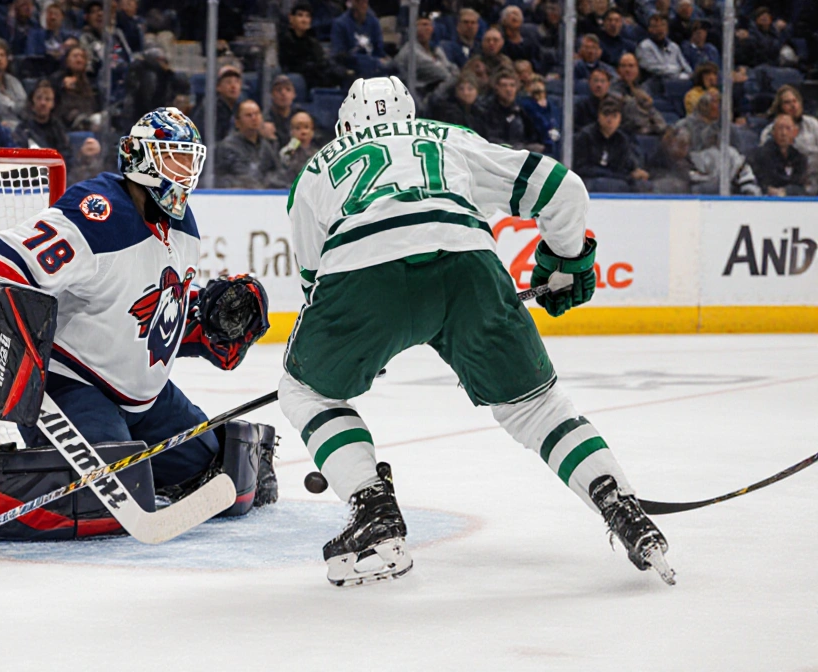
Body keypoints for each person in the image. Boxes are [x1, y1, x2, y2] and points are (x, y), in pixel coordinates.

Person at [281, 75, 673, 588]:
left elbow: (317, 283)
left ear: (346, 124)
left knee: (307, 390)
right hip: (468, 266)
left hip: (361, 272)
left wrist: (361, 348)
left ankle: (373, 510)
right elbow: (563, 189)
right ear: (409, 114)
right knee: (536, 407)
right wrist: (566, 260)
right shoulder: (451, 138)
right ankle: (623, 508)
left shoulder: (315, 168)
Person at [0, 107, 275, 522]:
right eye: (172, 156)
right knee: (108, 500)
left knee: (219, 472)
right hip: (73, 388)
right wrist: (6, 345)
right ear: (137, 157)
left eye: (191, 160)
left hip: (148, 401)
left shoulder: (183, 225)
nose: (184, 171)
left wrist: (209, 323)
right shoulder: (99, 212)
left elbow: (145, 309)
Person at [573, 96, 651, 193]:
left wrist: (635, 172)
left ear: (620, 119)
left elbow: (625, 166)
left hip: (616, 179)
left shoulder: (622, 139)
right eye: (606, 115)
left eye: (614, 116)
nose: (609, 120)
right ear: (599, 116)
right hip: (589, 181)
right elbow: (581, 168)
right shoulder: (585, 136)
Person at [214, 100, 288, 189]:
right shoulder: (228, 147)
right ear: (237, 122)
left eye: (257, 114)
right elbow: (234, 176)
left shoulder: (266, 146)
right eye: (248, 115)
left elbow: (278, 172)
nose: (254, 118)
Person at [279, 2, 350, 89]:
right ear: (291, 18)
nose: (304, 20)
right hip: (298, 78)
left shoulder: (313, 43)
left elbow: (321, 61)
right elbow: (290, 65)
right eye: (300, 15)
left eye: (307, 16)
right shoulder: (284, 40)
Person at [394, 13, 457, 95]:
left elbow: (451, 67)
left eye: (428, 25)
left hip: (437, 88)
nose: (426, 28)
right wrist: (456, 79)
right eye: (422, 25)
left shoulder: (436, 49)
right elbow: (441, 72)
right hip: (419, 93)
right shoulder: (410, 51)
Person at [479, 69, 542, 152]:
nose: (509, 89)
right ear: (497, 88)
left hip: (518, 150)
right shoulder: (486, 110)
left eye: (512, 85)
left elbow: (532, 135)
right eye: (504, 85)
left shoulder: (520, 110)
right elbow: (488, 137)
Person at [748, 114, 809, 196]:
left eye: (788, 128)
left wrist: (786, 191)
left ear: (795, 132)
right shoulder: (760, 155)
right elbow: (757, 182)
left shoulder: (800, 158)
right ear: (773, 132)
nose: (783, 133)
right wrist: (769, 190)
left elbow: (800, 186)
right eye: (780, 128)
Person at [330, 0, 393, 79]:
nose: (363, 5)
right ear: (353, 3)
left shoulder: (373, 22)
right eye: (359, 2)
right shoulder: (340, 24)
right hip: (352, 70)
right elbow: (340, 55)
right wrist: (371, 61)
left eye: (365, 2)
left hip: (374, 69)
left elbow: (379, 51)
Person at [12, 79, 71, 156]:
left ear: (53, 104)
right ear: (32, 101)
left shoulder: (58, 128)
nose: (43, 103)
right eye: (39, 98)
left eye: (47, 99)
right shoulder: (23, 129)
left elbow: (66, 155)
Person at [613, 53, 667, 137]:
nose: (627, 70)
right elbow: (628, 110)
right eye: (623, 66)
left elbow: (651, 110)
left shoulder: (643, 88)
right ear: (618, 70)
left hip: (646, 130)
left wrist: (661, 126)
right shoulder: (613, 88)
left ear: (637, 70)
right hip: (625, 131)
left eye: (631, 66)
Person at [637, 13, 692, 82]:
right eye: (656, 26)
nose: (660, 29)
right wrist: (676, 70)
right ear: (649, 29)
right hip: (655, 82)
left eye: (663, 25)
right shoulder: (644, 46)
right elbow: (651, 68)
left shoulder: (674, 46)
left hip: (677, 81)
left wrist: (689, 74)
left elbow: (685, 66)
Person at [54, 46, 99, 128]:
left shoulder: (91, 82)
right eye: (75, 56)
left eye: (82, 57)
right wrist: (61, 85)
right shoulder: (57, 79)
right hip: (67, 122)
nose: (79, 59)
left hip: (91, 119)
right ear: (67, 60)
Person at [519, 74, 563, 158]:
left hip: (554, 139)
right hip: (536, 141)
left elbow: (556, 120)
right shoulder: (525, 103)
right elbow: (538, 123)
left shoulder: (551, 103)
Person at [264, 75, 302, 146]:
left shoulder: (301, 115)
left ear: (294, 95)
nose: (283, 93)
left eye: (288, 89)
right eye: (278, 90)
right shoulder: (266, 120)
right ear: (271, 95)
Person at [280, 110, 319, 180]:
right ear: (291, 132)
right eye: (298, 128)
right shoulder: (287, 152)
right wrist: (293, 145)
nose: (303, 132)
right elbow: (283, 163)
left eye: (306, 127)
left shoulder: (317, 154)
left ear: (312, 131)